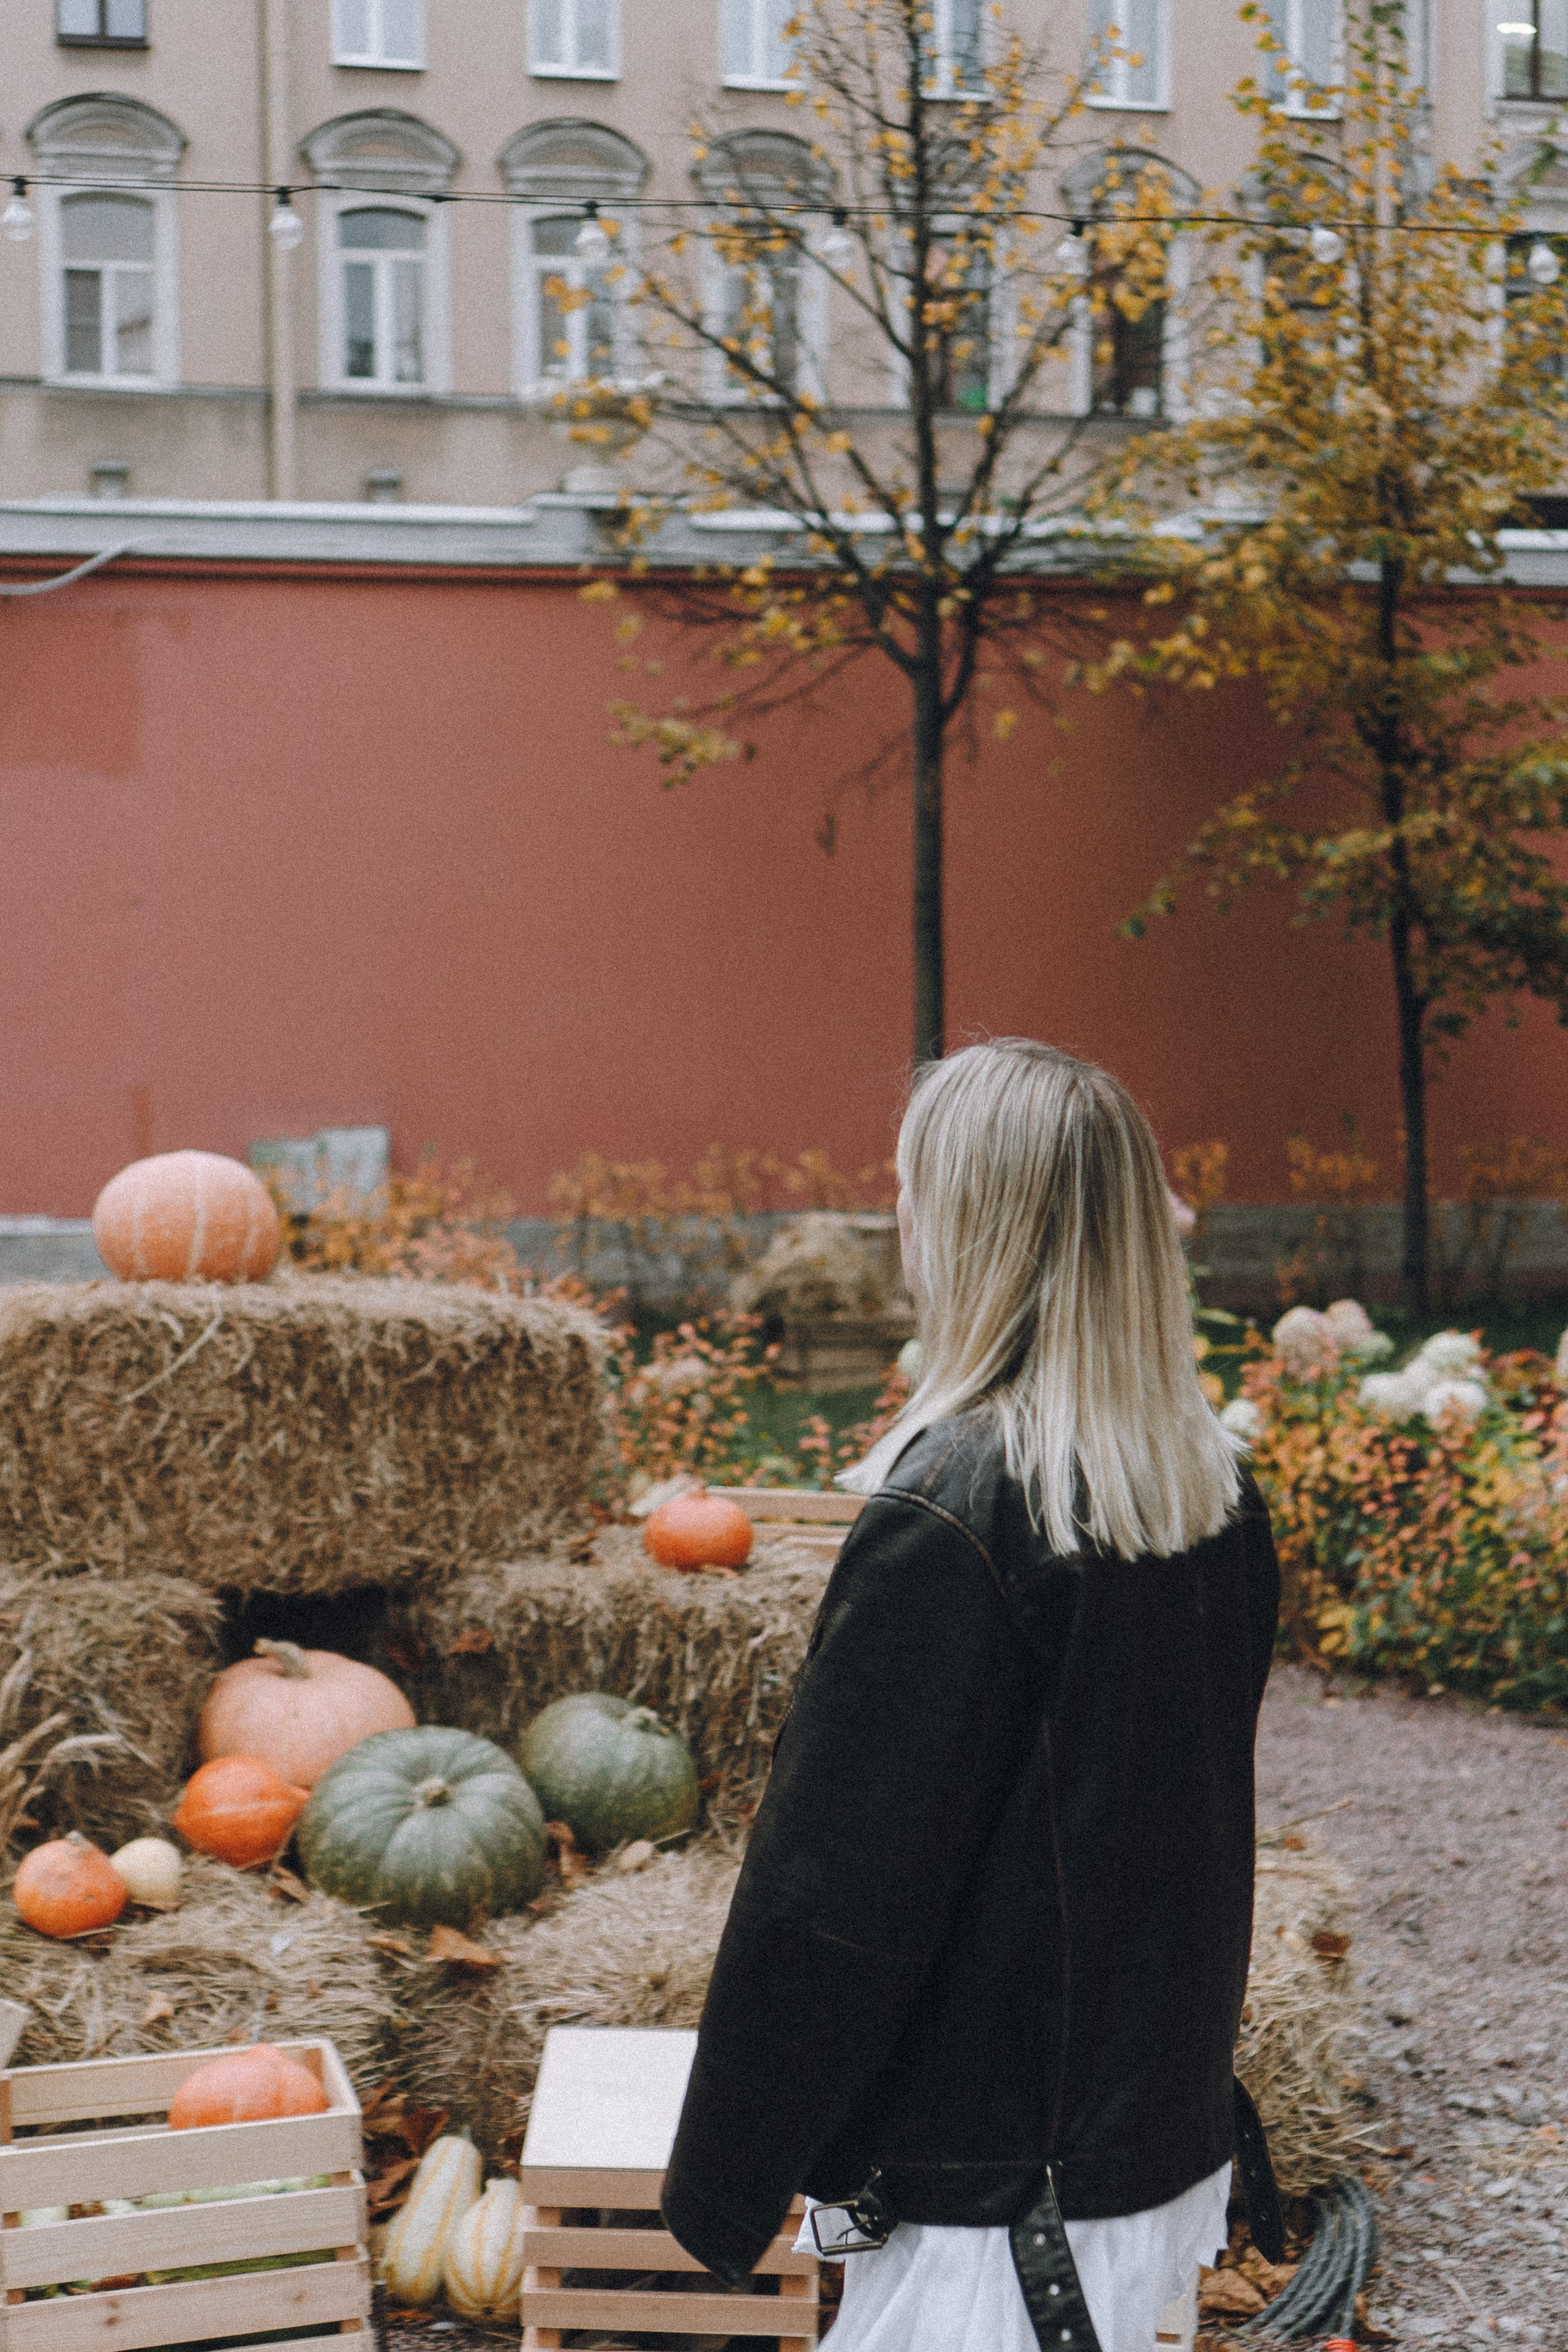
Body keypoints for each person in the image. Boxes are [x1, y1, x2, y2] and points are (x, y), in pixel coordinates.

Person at [660, 1039, 1282, 2352]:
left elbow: (829, 1900)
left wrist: (723, 2180)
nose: (897, 1214)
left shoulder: (957, 1514)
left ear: (967, 1229)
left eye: (910, 1188)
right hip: (1135, 2126)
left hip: (1000, 2179)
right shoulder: (1205, 1492)